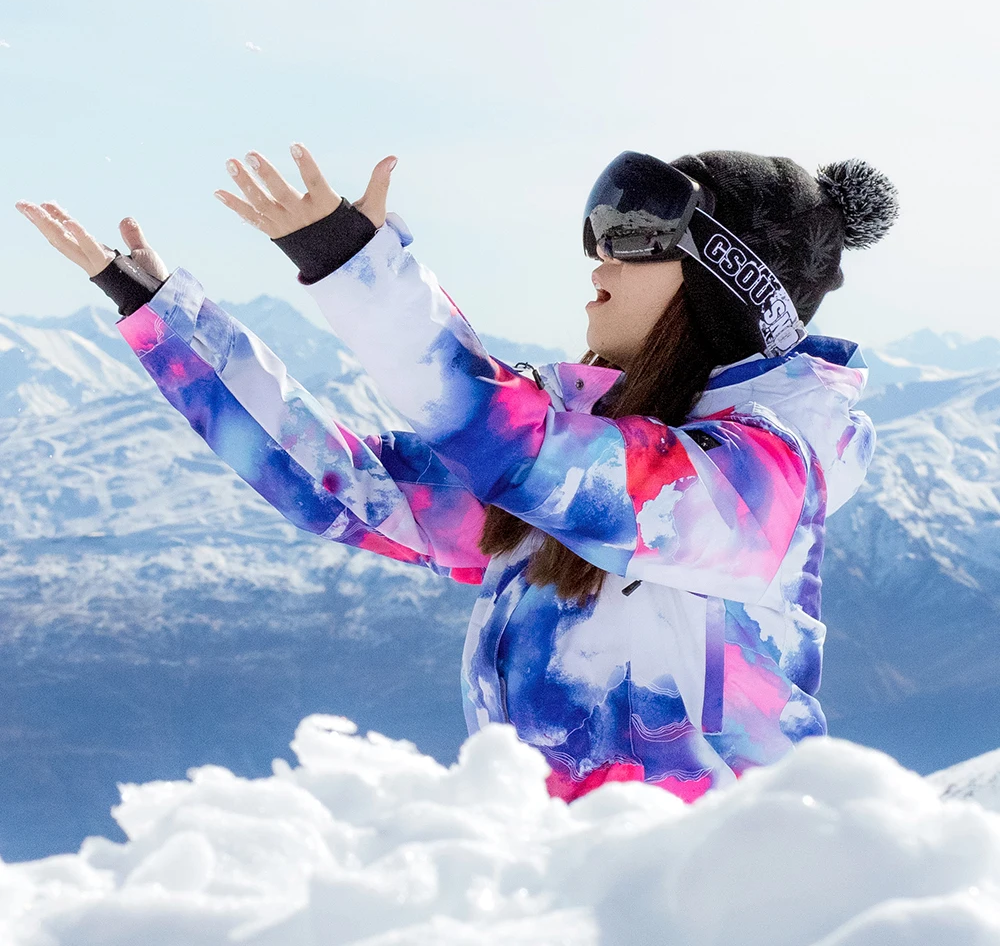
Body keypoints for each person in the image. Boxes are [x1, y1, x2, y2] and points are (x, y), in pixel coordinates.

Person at [14, 143, 898, 803]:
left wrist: (354, 263)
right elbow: (345, 488)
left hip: (710, 887)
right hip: (575, 878)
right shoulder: (577, 456)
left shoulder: (761, 481)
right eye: (601, 235)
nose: (599, 260)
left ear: (726, 286)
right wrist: (162, 315)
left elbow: (507, 439)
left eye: (636, 239)